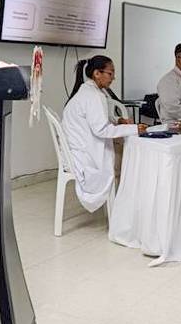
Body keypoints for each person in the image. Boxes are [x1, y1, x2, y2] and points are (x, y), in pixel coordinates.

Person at [62, 56, 147, 212]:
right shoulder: (93, 95)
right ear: (97, 73)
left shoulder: (87, 91)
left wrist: (118, 120)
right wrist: (134, 128)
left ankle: (124, 203)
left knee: (124, 147)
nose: (113, 78)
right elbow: (102, 130)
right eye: (110, 73)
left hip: (80, 150)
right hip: (86, 157)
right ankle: (126, 207)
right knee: (132, 156)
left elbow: (97, 119)